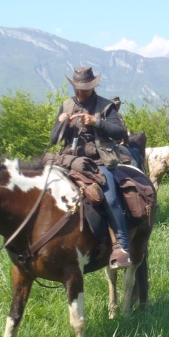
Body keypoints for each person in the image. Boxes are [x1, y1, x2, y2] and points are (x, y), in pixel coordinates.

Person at [50, 67, 132, 268]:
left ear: (92, 87)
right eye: (77, 89)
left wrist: (96, 122)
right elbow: (54, 139)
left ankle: (122, 245)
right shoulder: (66, 105)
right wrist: (60, 124)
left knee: (110, 198)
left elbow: (120, 133)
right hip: (69, 159)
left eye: (84, 89)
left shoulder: (106, 106)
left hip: (99, 162)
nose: (80, 93)